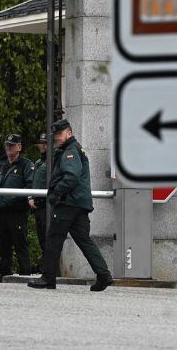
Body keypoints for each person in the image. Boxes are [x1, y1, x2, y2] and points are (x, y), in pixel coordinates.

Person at [28, 120, 114, 292]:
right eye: (55, 135)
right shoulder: (73, 149)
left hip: (68, 203)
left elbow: (71, 177)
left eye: (60, 134)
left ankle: (48, 278)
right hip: (78, 204)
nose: (57, 138)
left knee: (53, 238)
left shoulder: (70, 151)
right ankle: (104, 275)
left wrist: (56, 194)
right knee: (84, 240)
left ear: (69, 133)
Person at [0, 133, 33, 282]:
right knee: (3, 245)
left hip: (16, 212)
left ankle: (25, 275)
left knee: (20, 244)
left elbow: (30, 186)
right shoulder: (1, 165)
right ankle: (4, 275)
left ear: (19, 147)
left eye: (12, 145)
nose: (8, 148)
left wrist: (15, 200)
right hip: (1, 211)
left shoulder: (26, 165)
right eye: (7, 145)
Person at [27, 133, 49, 262]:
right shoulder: (38, 162)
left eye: (44, 143)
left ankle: (50, 268)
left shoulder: (53, 162)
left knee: (48, 239)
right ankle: (46, 266)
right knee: (41, 238)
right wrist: (30, 197)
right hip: (38, 205)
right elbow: (33, 182)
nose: (42, 146)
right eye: (41, 143)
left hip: (47, 205)